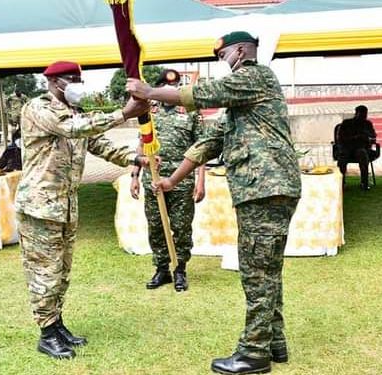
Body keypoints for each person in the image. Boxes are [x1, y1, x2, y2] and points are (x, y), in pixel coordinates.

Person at [127, 31, 302, 374]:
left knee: (257, 273)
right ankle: (273, 342)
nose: (224, 63)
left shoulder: (255, 76)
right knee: (267, 270)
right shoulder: (242, 104)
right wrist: (172, 180)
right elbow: (209, 141)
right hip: (262, 190)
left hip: (265, 190)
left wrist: (149, 92)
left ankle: (254, 354)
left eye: (223, 56)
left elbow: (203, 93)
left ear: (240, 51)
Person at [15, 60, 150, 360]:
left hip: (65, 205)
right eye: (69, 79)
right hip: (40, 207)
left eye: (78, 78)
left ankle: (57, 323)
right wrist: (124, 113)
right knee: (44, 271)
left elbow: (100, 144)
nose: (75, 83)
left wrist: (134, 159)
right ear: (52, 82)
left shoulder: (77, 112)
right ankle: (46, 334)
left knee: (62, 272)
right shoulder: (38, 109)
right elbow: (73, 130)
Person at [129, 69, 206, 292]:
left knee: (181, 227)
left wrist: (201, 181)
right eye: (165, 85)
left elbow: (200, 148)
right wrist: (134, 176)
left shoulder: (190, 111)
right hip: (153, 179)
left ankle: (179, 269)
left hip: (181, 180)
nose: (170, 89)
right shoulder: (149, 111)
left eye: (174, 86)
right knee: (155, 225)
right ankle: (162, 268)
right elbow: (141, 145)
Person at [336, 105, 377, 190]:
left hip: (360, 147)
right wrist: (356, 137)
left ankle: (364, 182)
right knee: (343, 157)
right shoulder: (347, 123)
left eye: (365, 114)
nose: (364, 116)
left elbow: (373, 135)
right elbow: (340, 138)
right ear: (357, 113)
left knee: (362, 154)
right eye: (362, 114)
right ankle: (341, 183)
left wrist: (367, 135)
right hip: (347, 147)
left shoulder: (367, 124)